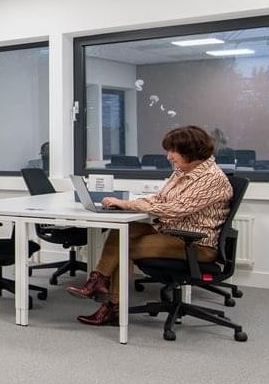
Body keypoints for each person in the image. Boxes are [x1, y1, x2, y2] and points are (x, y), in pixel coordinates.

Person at [67, 125, 232, 326]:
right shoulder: (182, 171)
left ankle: (111, 305)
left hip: (196, 245)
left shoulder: (212, 179)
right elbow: (159, 198)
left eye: (173, 151)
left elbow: (174, 209)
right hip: (170, 233)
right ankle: (98, 282)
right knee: (125, 229)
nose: (169, 156)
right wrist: (132, 204)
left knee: (124, 248)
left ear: (192, 151)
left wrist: (126, 204)